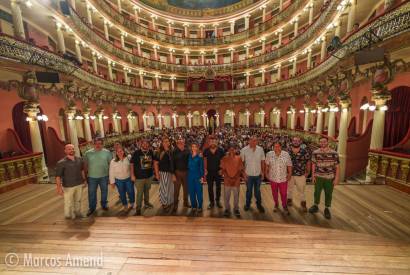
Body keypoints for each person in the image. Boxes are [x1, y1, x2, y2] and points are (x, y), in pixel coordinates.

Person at [309, 137, 340, 219]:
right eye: (321, 142)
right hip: (318, 176)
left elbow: (337, 166)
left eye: (324, 141)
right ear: (319, 143)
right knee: (317, 192)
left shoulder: (334, 153)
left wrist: (336, 178)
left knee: (329, 193)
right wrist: (313, 176)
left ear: (327, 142)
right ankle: (315, 205)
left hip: (330, 177)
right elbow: (313, 164)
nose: (323, 143)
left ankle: (327, 208)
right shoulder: (315, 152)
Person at [55, 144, 86, 219]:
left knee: (78, 200)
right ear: (65, 151)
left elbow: (82, 171)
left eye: (72, 149)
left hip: (79, 183)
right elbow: (58, 176)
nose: (71, 150)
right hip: (68, 186)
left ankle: (77, 212)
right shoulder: (61, 162)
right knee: (68, 201)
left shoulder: (79, 159)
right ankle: (68, 215)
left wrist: (84, 180)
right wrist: (59, 188)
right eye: (69, 149)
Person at [84, 138, 112, 216]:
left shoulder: (107, 152)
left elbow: (111, 164)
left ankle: (104, 204)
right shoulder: (88, 153)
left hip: (104, 176)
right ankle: (92, 208)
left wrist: (110, 176)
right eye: (96, 143)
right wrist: (85, 177)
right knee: (91, 193)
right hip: (92, 177)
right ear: (93, 144)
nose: (98, 145)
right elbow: (85, 165)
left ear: (102, 144)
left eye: (100, 143)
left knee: (104, 191)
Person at [240, 136, 266, 213]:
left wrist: (263, 172)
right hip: (248, 175)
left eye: (255, 141)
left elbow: (262, 162)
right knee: (249, 191)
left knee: (257, 191)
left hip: (258, 174)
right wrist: (243, 174)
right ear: (249, 141)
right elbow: (241, 163)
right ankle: (247, 204)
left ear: (257, 141)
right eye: (252, 140)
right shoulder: (244, 150)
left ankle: (259, 205)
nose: (253, 142)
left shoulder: (260, 149)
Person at [265, 142, 292, 214]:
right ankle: (276, 204)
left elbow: (289, 165)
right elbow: (267, 165)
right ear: (273, 147)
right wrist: (266, 173)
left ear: (281, 147)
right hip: (273, 178)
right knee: (274, 193)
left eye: (278, 146)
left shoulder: (286, 154)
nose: (276, 148)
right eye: (275, 147)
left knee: (284, 193)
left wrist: (289, 174)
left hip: (283, 178)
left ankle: (284, 205)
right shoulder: (269, 154)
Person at [130, 139, 154, 216]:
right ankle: (138, 208)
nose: (145, 145)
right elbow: (131, 164)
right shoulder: (136, 153)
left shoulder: (150, 152)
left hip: (149, 176)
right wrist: (132, 175)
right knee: (140, 193)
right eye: (144, 144)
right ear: (141, 144)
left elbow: (155, 162)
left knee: (147, 191)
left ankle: (146, 203)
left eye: (147, 144)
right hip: (139, 177)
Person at [288, 136, 311, 212]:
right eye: (294, 140)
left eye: (297, 141)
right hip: (289, 174)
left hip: (301, 174)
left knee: (301, 190)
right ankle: (289, 200)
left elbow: (308, 162)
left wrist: (308, 172)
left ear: (300, 142)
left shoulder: (304, 151)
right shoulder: (288, 151)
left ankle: (303, 204)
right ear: (292, 141)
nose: (296, 142)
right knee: (289, 189)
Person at [220, 143, 244, 217]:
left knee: (236, 196)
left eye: (233, 149)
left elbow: (240, 170)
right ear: (228, 150)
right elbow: (223, 170)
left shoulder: (239, 158)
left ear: (235, 150)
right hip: (227, 180)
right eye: (230, 149)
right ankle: (227, 209)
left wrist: (234, 178)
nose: (231, 150)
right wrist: (229, 178)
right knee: (226, 196)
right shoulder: (224, 158)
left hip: (236, 180)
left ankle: (236, 209)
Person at [109, 145, 135, 211]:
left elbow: (132, 167)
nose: (120, 152)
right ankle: (125, 205)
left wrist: (133, 175)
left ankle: (132, 203)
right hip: (118, 180)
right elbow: (111, 172)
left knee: (131, 191)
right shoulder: (113, 161)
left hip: (128, 179)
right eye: (118, 151)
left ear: (123, 151)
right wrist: (112, 182)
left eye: (121, 151)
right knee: (122, 193)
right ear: (116, 153)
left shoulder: (128, 157)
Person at [203, 136, 225, 209]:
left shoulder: (221, 150)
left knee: (218, 187)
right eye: (211, 141)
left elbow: (223, 161)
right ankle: (211, 202)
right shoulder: (206, 151)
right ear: (209, 143)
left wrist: (222, 169)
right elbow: (204, 161)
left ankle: (218, 201)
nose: (213, 143)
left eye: (214, 141)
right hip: (209, 172)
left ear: (216, 142)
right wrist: (205, 169)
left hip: (218, 172)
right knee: (210, 188)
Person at [154, 136, 174, 211]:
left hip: (170, 172)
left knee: (169, 188)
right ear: (162, 143)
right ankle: (164, 203)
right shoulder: (159, 152)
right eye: (164, 141)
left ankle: (169, 201)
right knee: (163, 188)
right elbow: (155, 163)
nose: (166, 143)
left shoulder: (171, 151)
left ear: (169, 142)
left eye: (167, 141)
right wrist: (157, 174)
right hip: (162, 172)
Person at [172, 137, 191, 212]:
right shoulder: (174, 151)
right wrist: (173, 174)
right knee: (176, 190)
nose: (180, 143)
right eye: (179, 142)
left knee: (186, 189)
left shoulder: (187, 151)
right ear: (177, 144)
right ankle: (175, 204)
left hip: (186, 172)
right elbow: (172, 163)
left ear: (184, 142)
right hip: (177, 173)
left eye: (182, 142)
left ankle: (185, 202)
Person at [187, 142, 204, 215]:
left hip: (197, 176)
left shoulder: (200, 157)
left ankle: (200, 206)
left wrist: (202, 177)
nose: (194, 148)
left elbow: (201, 168)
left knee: (199, 192)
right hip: (190, 176)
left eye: (195, 146)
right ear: (191, 148)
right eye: (192, 146)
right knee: (191, 192)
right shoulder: (189, 156)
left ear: (197, 148)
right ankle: (194, 205)